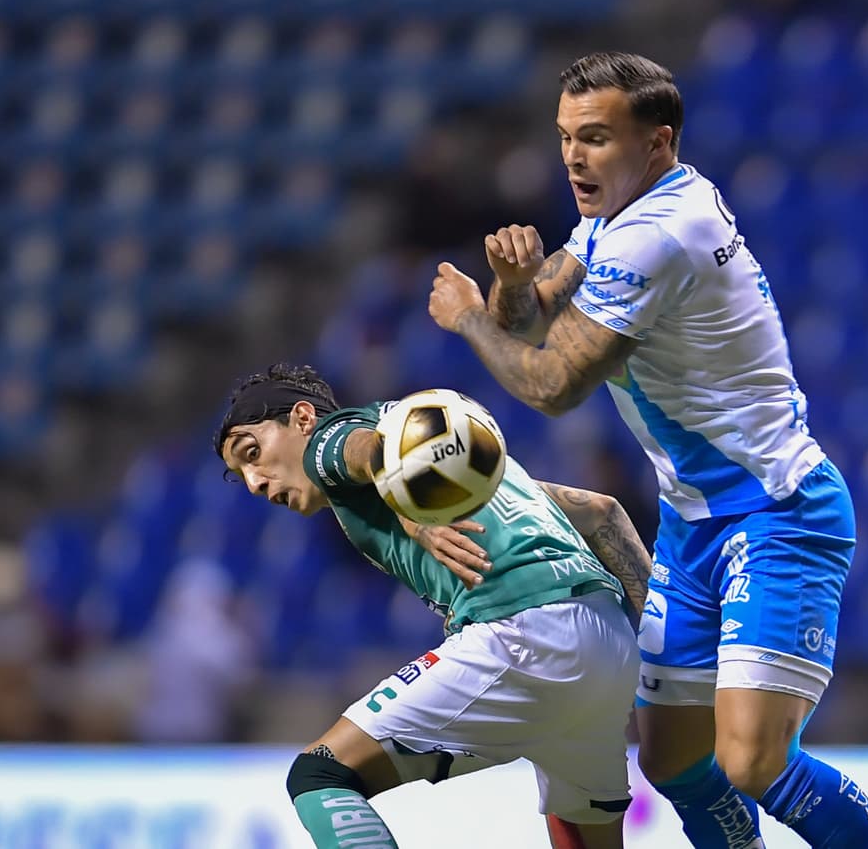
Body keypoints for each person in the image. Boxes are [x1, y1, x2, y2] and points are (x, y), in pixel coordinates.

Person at [426, 51, 868, 848]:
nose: (574, 155)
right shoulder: (622, 210)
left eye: (596, 137)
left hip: (777, 514)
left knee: (750, 759)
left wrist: (471, 317)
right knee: (675, 758)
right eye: (566, 136)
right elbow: (535, 311)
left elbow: (552, 383)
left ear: (658, 142)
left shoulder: (662, 234)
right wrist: (508, 283)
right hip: (694, 526)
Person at [215, 362, 654, 849]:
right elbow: (601, 512)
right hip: (607, 640)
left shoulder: (328, 441)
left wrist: (416, 518)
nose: (255, 481)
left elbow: (371, 453)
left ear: (301, 418)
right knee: (579, 829)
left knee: (320, 774)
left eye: (252, 453)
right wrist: (665, 654)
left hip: (520, 630)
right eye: (243, 473)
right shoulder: (475, 462)